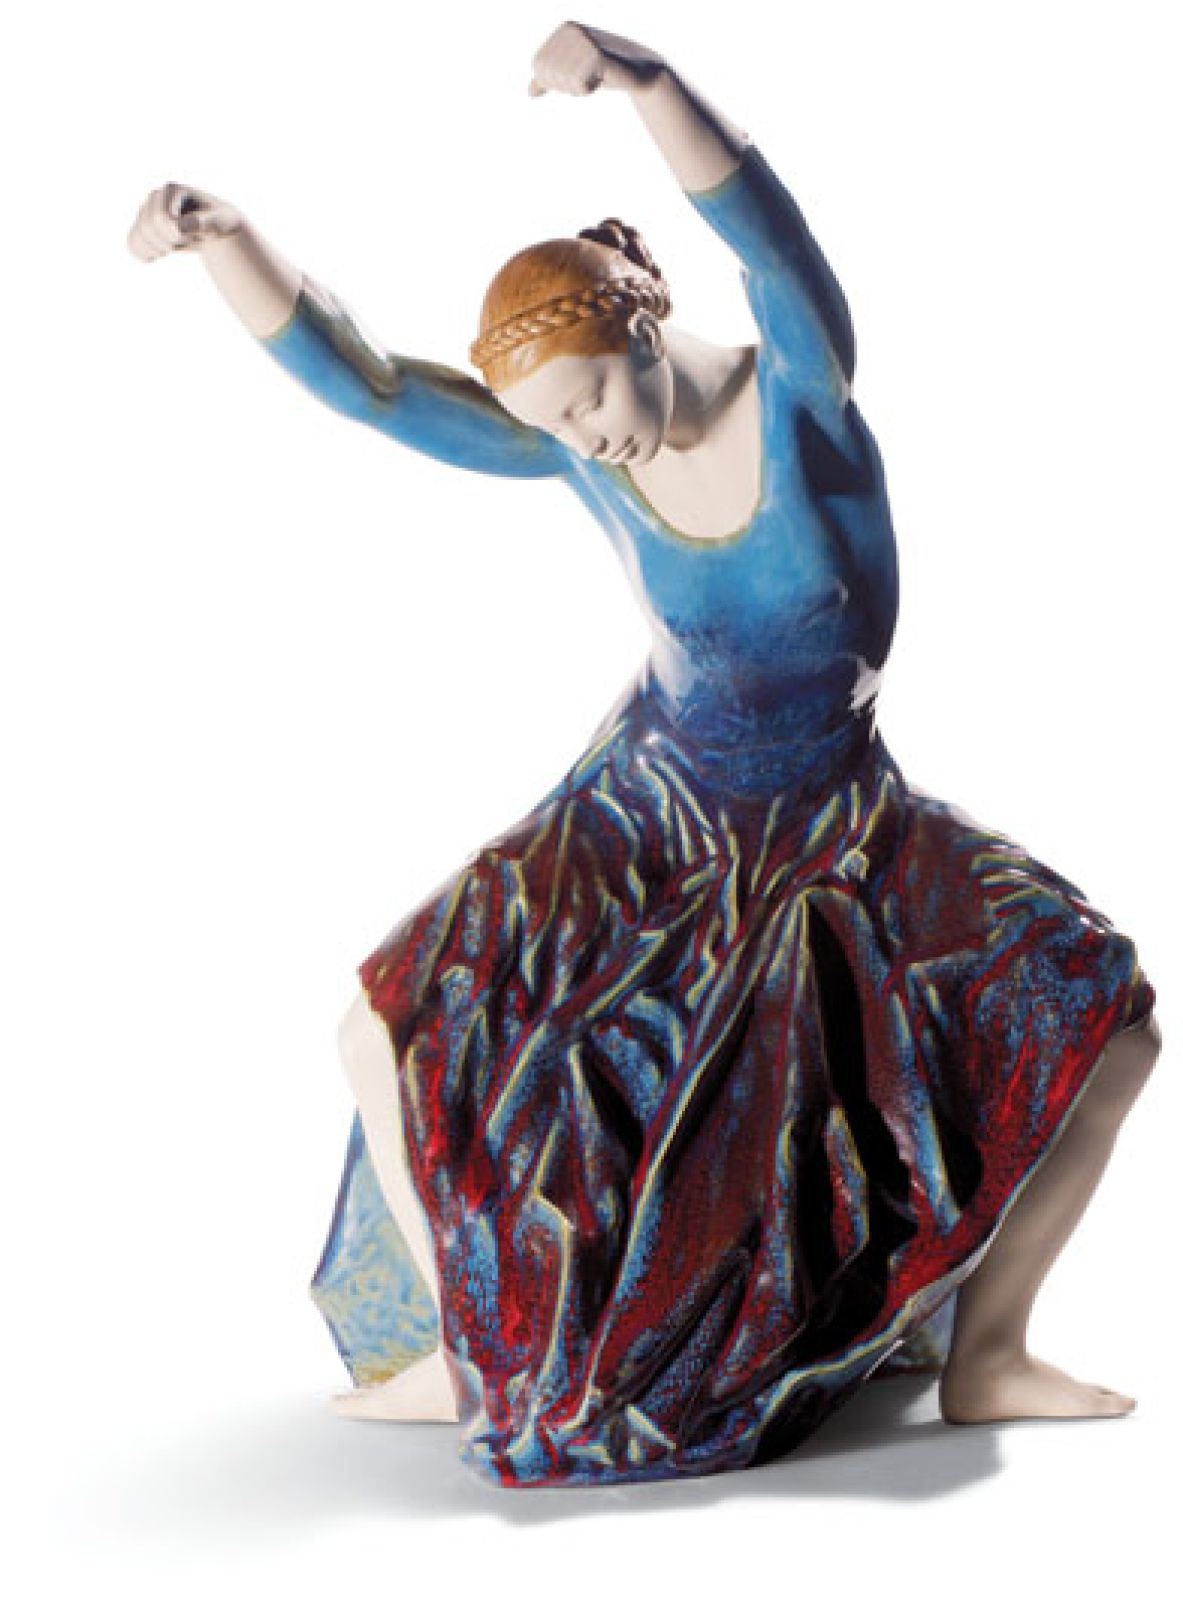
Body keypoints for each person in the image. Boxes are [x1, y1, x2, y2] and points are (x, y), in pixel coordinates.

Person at [128, 22, 1161, 1488]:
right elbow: (374, 388)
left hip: (833, 824)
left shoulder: (802, 404)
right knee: (384, 1024)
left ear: (640, 324)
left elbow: (777, 250)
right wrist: (231, 243)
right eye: (556, 425)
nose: (588, 442)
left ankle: (988, 1355)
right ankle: (469, 1352)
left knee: (1105, 1021)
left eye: (592, 400)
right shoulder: (576, 449)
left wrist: (648, 85)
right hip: (646, 805)